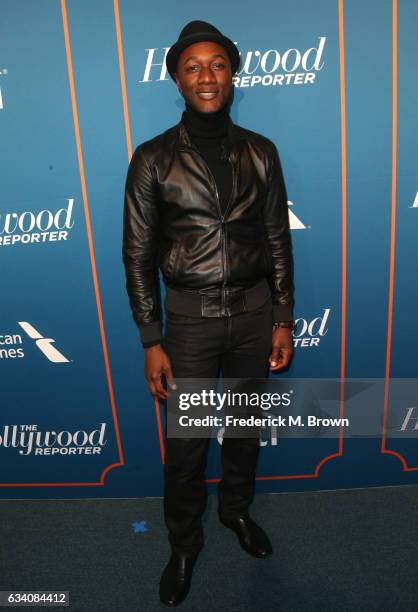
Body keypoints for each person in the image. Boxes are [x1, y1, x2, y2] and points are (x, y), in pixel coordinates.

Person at [122, 20, 295, 607]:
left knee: (245, 433)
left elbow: (277, 241)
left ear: (233, 73)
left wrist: (282, 318)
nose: (206, 76)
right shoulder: (152, 160)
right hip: (189, 326)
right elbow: (138, 253)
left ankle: (237, 514)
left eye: (216, 64)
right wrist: (152, 337)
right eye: (192, 66)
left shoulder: (261, 152)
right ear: (176, 78)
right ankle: (184, 545)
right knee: (189, 447)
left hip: (252, 319)